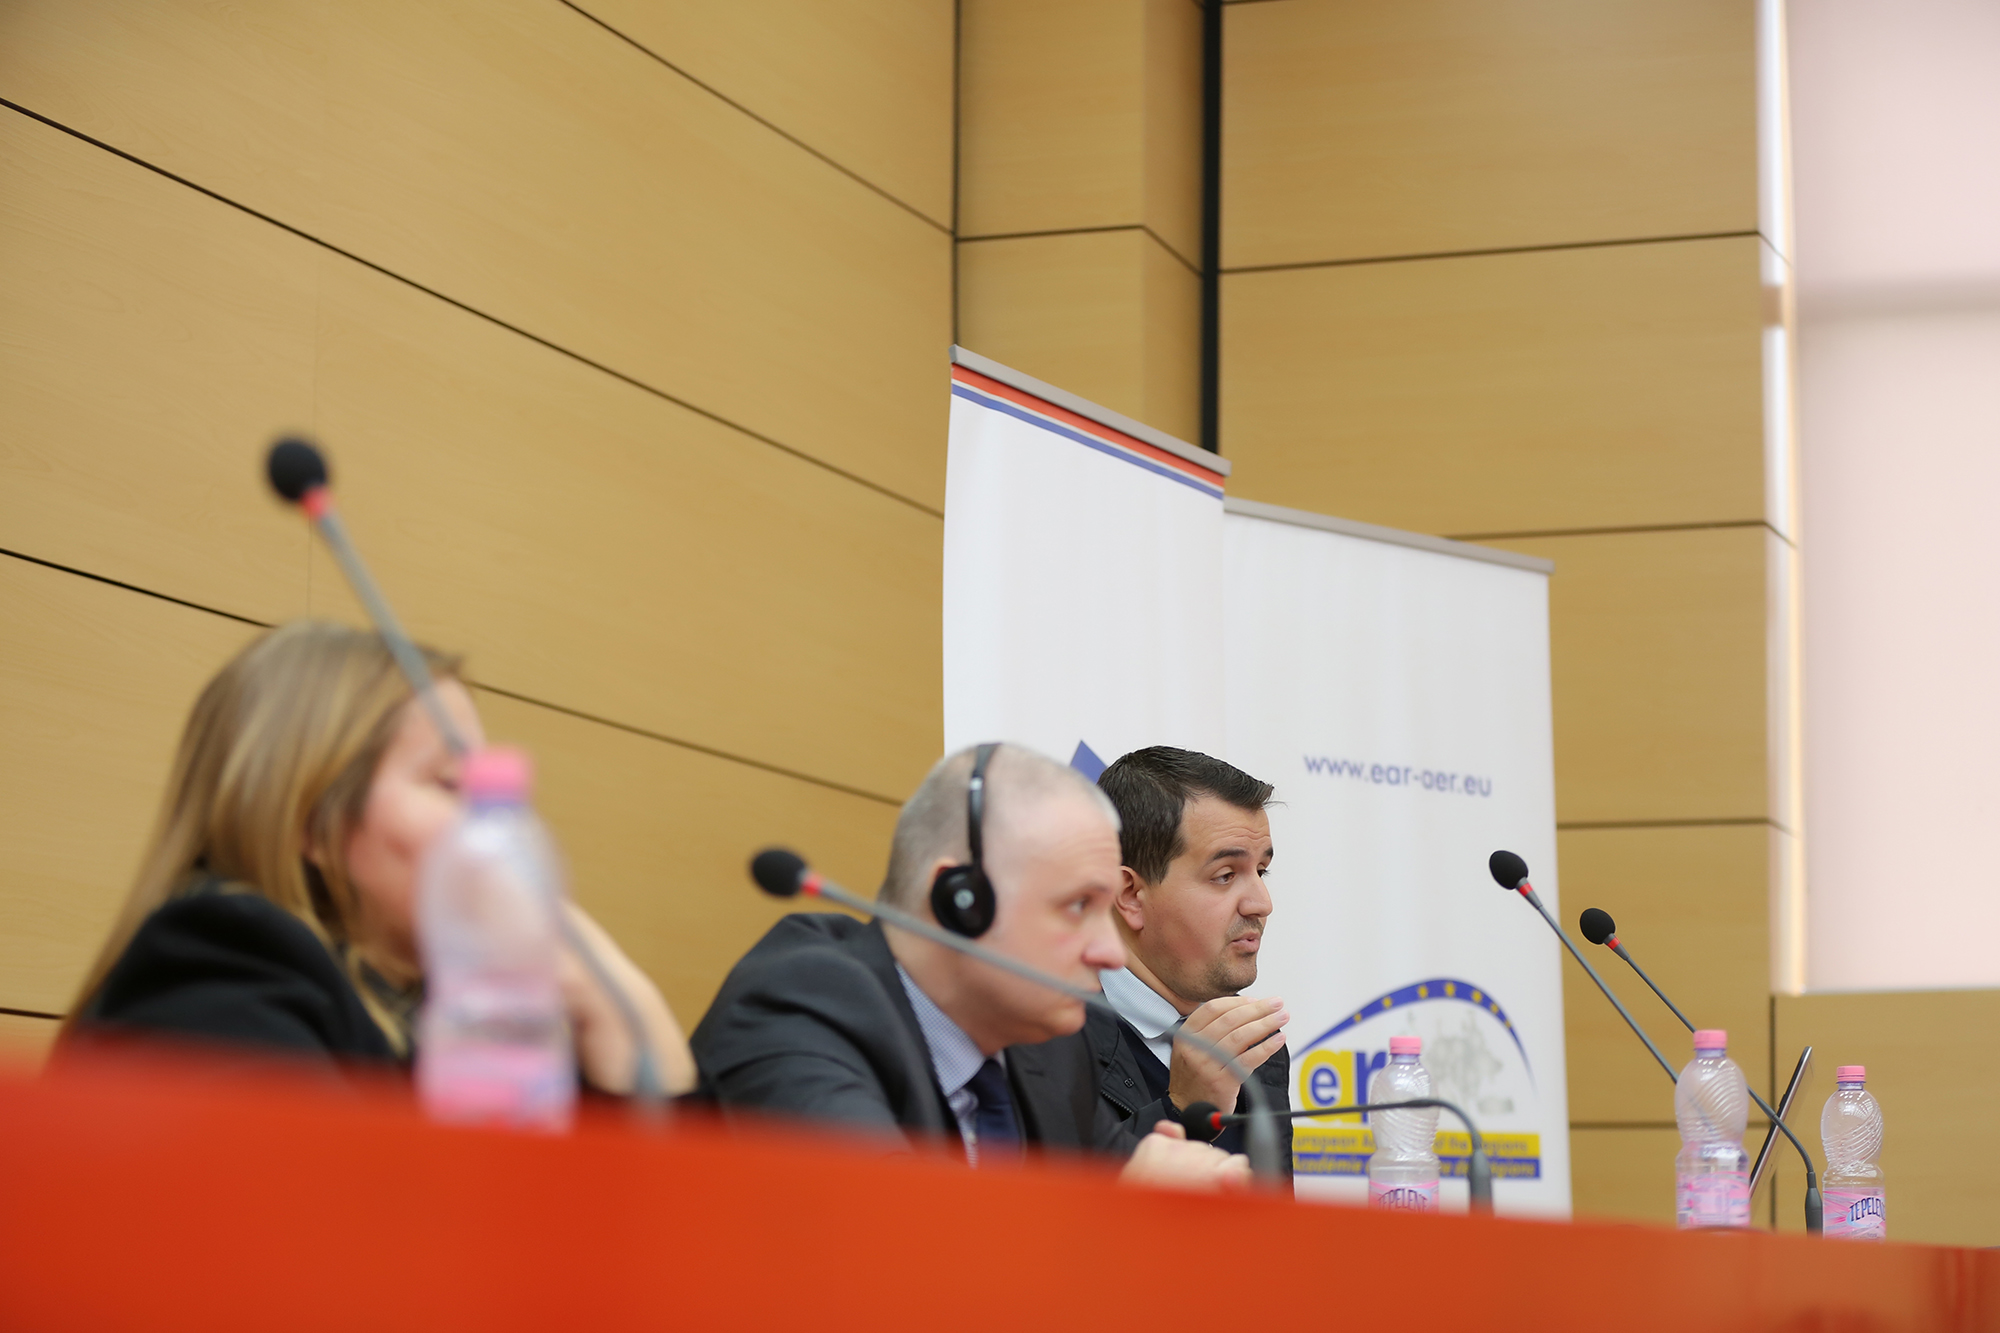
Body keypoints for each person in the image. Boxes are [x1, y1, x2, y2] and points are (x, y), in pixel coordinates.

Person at [61, 621, 694, 1097]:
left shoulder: (468, 1005)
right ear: (314, 820)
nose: (496, 828)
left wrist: (624, 1014)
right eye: (451, 783)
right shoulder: (225, 972)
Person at [691, 743, 1248, 1189]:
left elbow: (1113, 1176)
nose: (1108, 952)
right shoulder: (805, 1004)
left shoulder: (1047, 1048)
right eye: (1077, 907)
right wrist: (1112, 1216)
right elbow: (883, 1246)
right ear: (960, 902)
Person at [1084, 747, 1293, 1177]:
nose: (1262, 904)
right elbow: (1044, 1207)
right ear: (1130, 895)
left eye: (1261, 871)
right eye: (1225, 875)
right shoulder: (1046, 1033)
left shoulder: (1254, 1044)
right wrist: (1181, 1109)